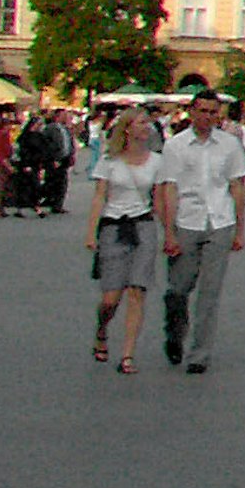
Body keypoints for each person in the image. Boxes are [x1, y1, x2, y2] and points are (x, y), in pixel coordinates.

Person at [154, 90, 245, 376]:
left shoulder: (229, 144)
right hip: (187, 221)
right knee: (178, 288)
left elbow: (237, 186)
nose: (207, 117)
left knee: (210, 292)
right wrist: (169, 232)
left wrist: (240, 229)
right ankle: (174, 333)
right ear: (191, 112)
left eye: (213, 112)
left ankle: (200, 353)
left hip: (219, 221)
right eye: (203, 111)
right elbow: (168, 187)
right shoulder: (176, 146)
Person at [84, 110, 164, 374]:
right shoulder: (110, 161)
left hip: (143, 226)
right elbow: (100, 197)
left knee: (137, 290)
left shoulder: (156, 161)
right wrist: (91, 232)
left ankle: (128, 355)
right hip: (114, 226)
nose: (147, 127)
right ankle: (101, 329)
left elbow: (160, 199)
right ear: (127, 129)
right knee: (111, 298)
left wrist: (171, 233)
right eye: (142, 123)